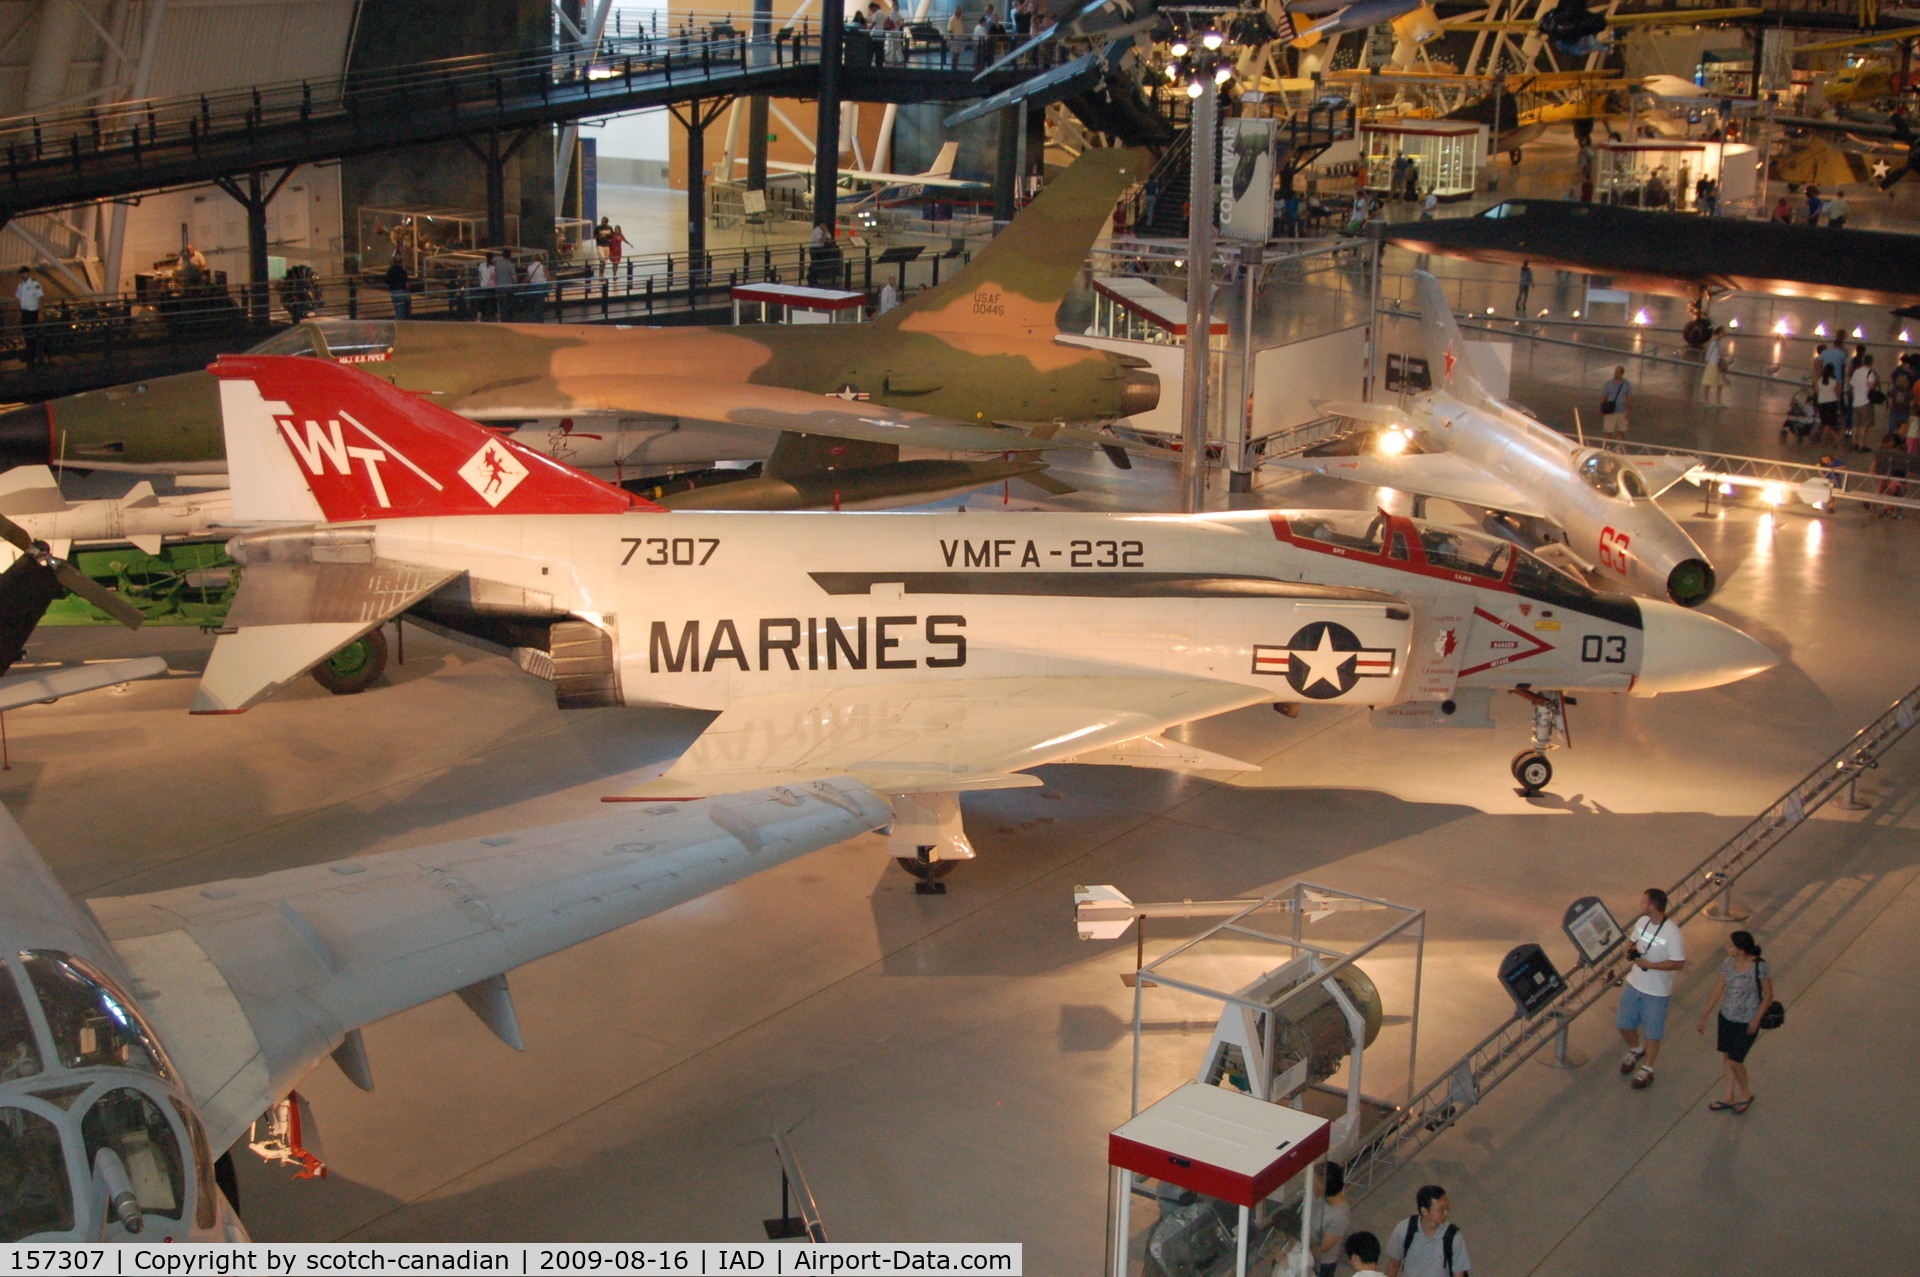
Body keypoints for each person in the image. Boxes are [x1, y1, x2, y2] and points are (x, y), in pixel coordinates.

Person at [1695, 930, 1773, 1113]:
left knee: (1736, 1060)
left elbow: (1768, 994)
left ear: (1741, 949)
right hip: (1727, 1017)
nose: (1726, 947)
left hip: (1747, 1021)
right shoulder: (1728, 964)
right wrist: (1705, 1015)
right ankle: (1728, 1096)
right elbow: (1718, 988)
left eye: (1730, 945)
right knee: (1727, 1057)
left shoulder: (1759, 967)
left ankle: (1745, 1092)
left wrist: (1756, 1019)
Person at [1617, 886, 1686, 1090]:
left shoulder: (1672, 934)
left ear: (1653, 906)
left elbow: (1678, 963)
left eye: (1644, 902)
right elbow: (1632, 942)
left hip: (1656, 992)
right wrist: (1629, 950)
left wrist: (1651, 966)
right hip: (1635, 983)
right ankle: (1636, 1049)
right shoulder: (1642, 922)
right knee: (1624, 1024)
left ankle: (1647, 1068)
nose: (1640, 905)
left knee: (1653, 1034)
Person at [1384, 1184, 1469, 1277]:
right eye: (1441, 1209)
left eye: (1447, 1207)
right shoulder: (1404, 1229)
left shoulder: (1453, 1237)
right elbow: (1393, 1266)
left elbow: (1459, 1274)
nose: (1446, 1213)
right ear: (1424, 1211)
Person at [1310, 1162, 1351, 1277]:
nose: (1311, 1186)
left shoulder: (1340, 1216)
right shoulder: (1318, 1196)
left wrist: (1299, 1257)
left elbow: (1323, 1247)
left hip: (1321, 1264)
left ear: (1324, 1187)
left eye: (1315, 1183)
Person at [13, 267, 42, 367]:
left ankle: (33, 356)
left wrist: (40, 313)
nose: (23, 275)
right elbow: (18, 298)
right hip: (24, 312)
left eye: (24, 273)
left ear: (28, 273)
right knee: (26, 333)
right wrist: (18, 312)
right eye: (22, 274)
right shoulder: (21, 285)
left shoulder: (34, 284)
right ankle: (30, 355)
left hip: (33, 312)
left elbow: (40, 297)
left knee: (32, 334)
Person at [1850, 351, 1880, 449]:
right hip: (1866, 401)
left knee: (1855, 424)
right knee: (1864, 425)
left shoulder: (1857, 371)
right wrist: (1876, 381)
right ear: (1871, 362)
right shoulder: (1870, 373)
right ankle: (1861, 445)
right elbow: (1871, 386)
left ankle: (1854, 442)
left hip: (1856, 401)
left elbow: (1853, 385)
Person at [1599, 365, 1631, 438]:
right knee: (1608, 432)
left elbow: (1629, 398)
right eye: (1615, 372)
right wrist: (1602, 408)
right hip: (1610, 411)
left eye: (1618, 372)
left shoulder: (1627, 384)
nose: (1616, 374)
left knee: (1620, 432)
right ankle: (1606, 447)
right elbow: (1604, 397)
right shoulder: (1608, 384)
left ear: (1622, 373)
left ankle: (1620, 448)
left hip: (1622, 411)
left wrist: (1628, 411)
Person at [1815, 363, 1843, 444]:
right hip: (1831, 402)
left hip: (1822, 403)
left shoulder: (1819, 381)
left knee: (1825, 422)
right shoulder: (1834, 381)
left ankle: (1835, 438)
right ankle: (1824, 440)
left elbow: (1816, 391)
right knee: (1830, 422)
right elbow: (1838, 392)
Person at [1700, 326, 1727, 406]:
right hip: (1712, 365)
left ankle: (1718, 401)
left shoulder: (1719, 343)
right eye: (1723, 332)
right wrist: (1706, 362)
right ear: (1718, 333)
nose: (1724, 334)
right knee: (1708, 383)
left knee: (1720, 384)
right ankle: (1706, 401)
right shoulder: (1714, 343)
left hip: (1717, 365)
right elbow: (1709, 354)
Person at [523, 256, 548, 322]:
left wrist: (522, 286)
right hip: (542, 286)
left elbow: (527, 278)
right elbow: (547, 277)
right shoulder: (543, 267)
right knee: (540, 303)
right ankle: (536, 318)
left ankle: (538, 318)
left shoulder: (530, 267)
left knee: (536, 303)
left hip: (533, 287)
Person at [473, 254, 495, 320]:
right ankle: (498, 320)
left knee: (481, 304)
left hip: (482, 286)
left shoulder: (481, 265)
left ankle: (478, 319)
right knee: (494, 303)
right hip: (490, 287)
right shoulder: (493, 266)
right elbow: (493, 276)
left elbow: (479, 276)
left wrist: (481, 281)